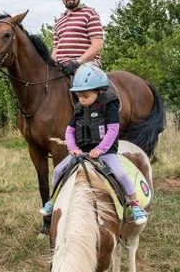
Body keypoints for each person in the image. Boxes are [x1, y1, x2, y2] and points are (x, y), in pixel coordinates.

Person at [40, 64, 147, 225]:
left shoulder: (109, 106)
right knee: (58, 170)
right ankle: (53, 200)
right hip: (81, 153)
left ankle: (135, 204)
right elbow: (69, 131)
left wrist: (100, 149)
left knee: (121, 174)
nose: (82, 100)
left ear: (98, 91)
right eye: (79, 96)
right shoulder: (79, 109)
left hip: (106, 153)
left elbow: (113, 130)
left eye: (85, 96)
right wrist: (73, 148)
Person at [51, 0, 105, 76]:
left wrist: (77, 63)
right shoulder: (59, 21)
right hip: (63, 67)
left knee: (82, 81)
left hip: (86, 65)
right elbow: (55, 50)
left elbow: (97, 45)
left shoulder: (89, 13)